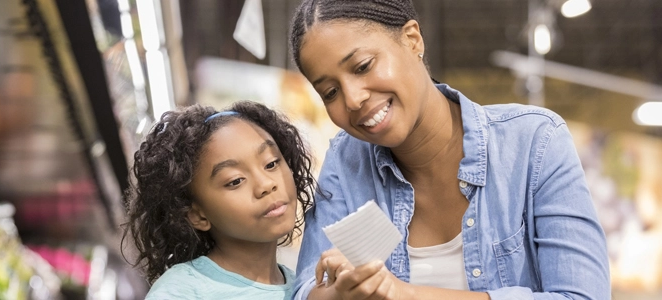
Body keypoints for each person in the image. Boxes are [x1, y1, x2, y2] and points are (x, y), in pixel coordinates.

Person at [287, 0, 611, 299]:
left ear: (412, 40)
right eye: (329, 92)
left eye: (362, 66)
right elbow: (305, 289)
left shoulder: (534, 142)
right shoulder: (347, 161)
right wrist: (338, 293)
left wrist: (404, 293)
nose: (353, 99)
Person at [122, 101, 317, 299]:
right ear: (197, 215)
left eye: (271, 163)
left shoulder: (306, 289)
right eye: (235, 181)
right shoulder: (181, 291)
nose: (266, 185)